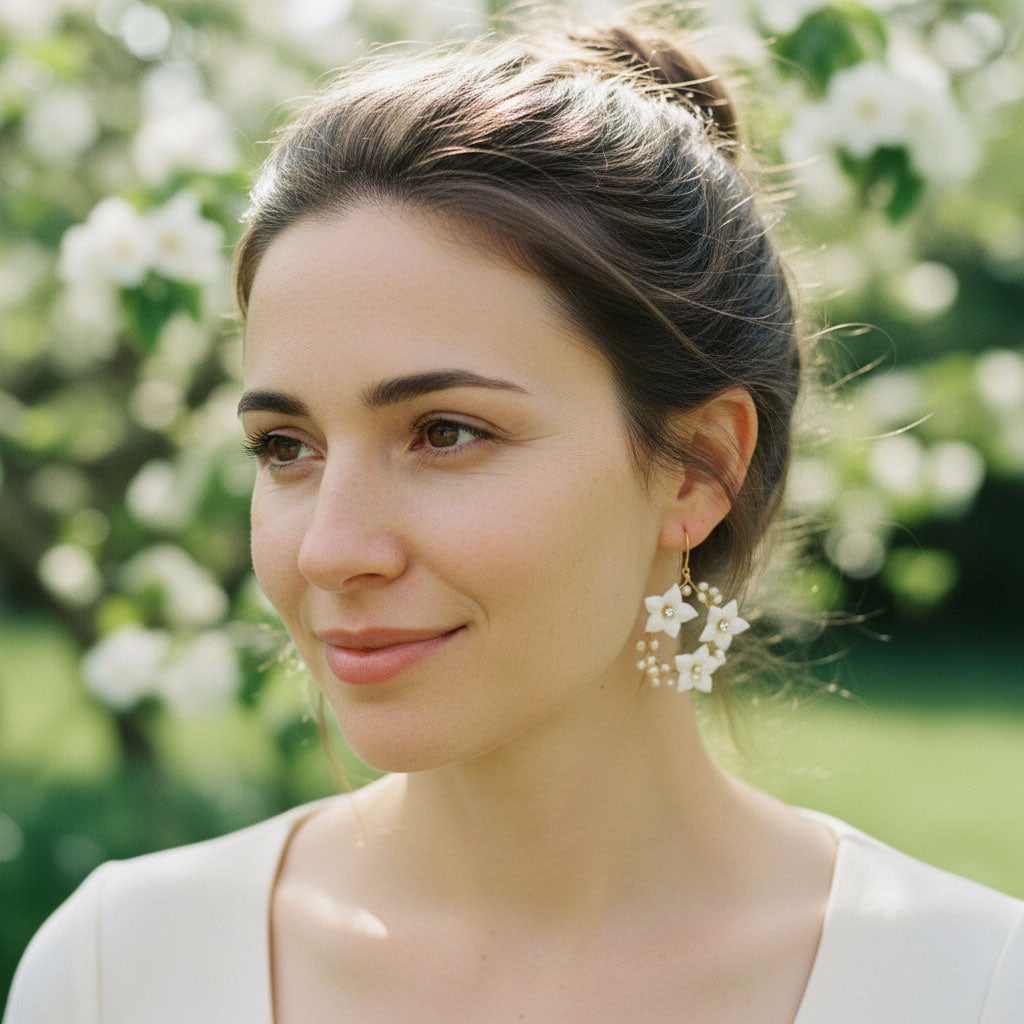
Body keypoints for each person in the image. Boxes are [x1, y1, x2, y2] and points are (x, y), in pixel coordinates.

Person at [5, 12, 1022, 1024]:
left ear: (696, 468)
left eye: (445, 432)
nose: (329, 550)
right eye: (287, 446)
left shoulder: (966, 987)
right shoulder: (119, 972)